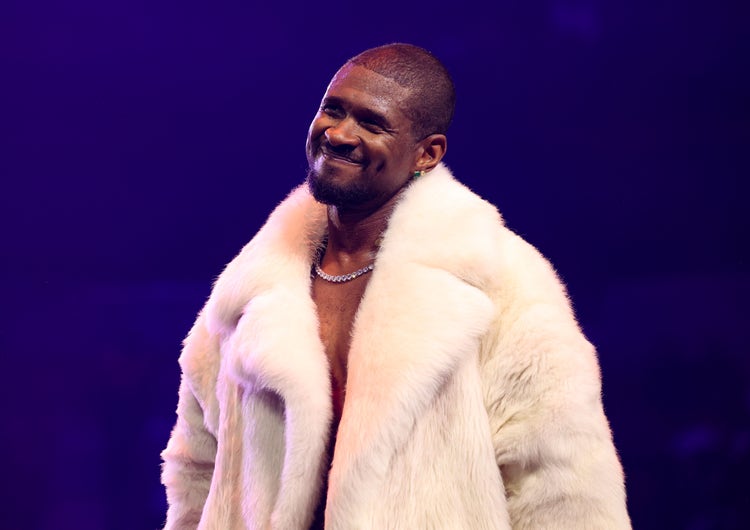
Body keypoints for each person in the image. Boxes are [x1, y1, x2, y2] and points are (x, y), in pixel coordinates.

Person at [161, 43, 631, 529]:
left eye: (372, 123)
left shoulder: (499, 278)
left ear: (427, 153)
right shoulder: (252, 284)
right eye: (332, 109)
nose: (339, 134)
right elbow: (196, 467)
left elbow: (563, 484)